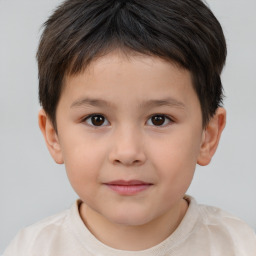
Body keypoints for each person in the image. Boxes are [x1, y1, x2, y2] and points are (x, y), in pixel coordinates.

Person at [4, 0, 256, 255]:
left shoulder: (240, 246)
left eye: (159, 119)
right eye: (96, 119)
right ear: (53, 135)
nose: (127, 152)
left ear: (207, 137)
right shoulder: (31, 249)